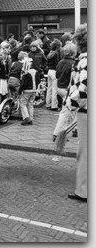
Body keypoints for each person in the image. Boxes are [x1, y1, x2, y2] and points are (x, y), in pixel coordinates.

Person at [63, 24, 87, 202]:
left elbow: (84, 90)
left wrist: (69, 106)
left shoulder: (85, 60)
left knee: (84, 151)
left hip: (86, 112)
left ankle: (84, 191)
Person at [18, 58, 40, 125]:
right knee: (30, 104)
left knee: (23, 104)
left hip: (27, 90)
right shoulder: (35, 71)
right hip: (34, 90)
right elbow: (38, 81)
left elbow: (23, 84)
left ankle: (26, 118)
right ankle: (30, 119)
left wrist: (20, 90)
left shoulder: (26, 72)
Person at [45, 39, 62, 111]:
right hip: (54, 71)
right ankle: (54, 106)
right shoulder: (56, 54)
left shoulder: (50, 53)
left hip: (49, 71)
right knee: (55, 89)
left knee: (49, 88)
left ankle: (48, 104)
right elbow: (57, 64)